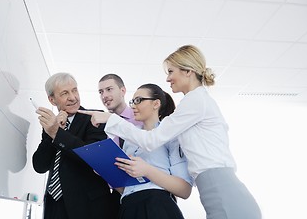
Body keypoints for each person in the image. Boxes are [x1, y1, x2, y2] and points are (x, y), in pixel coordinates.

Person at [79, 45, 262, 219]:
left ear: (188, 71)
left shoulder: (195, 101)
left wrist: (110, 119)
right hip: (213, 191)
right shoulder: (192, 103)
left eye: (171, 72)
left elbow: (152, 141)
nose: (167, 79)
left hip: (222, 190)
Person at [32, 72, 116, 219]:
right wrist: (52, 131)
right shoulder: (52, 124)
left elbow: (92, 157)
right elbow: (39, 165)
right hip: (55, 205)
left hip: (88, 207)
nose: (73, 97)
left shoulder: (95, 117)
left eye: (75, 90)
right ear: (52, 100)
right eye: (65, 93)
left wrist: (57, 134)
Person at [115, 83, 193, 219]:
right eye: (132, 101)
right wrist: (107, 174)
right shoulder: (130, 139)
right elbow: (126, 189)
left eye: (138, 100)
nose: (133, 105)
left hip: (156, 205)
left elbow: (184, 190)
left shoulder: (171, 135)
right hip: (128, 207)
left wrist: (146, 170)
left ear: (156, 104)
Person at [97, 73, 142, 217]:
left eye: (109, 89)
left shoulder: (140, 118)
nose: (104, 95)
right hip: (116, 195)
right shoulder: (100, 126)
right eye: (101, 92)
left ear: (123, 91)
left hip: (144, 192)